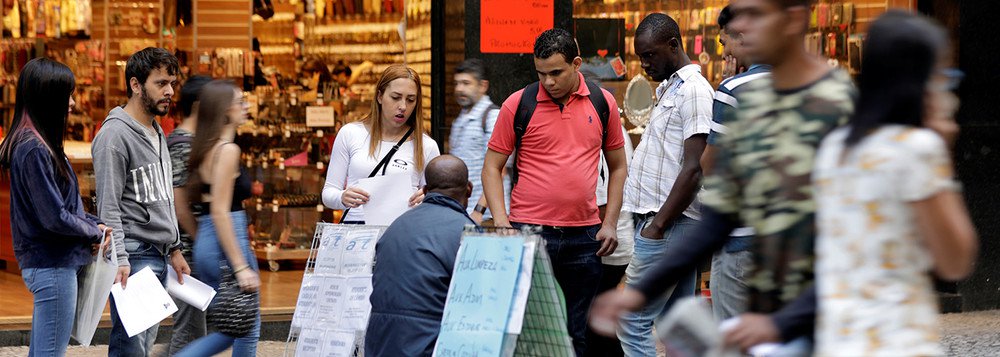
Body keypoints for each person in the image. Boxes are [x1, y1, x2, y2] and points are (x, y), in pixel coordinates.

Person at [590, 0, 857, 354]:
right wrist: (641, 288)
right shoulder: (742, 93)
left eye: (754, 16)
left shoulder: (833, 97)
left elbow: (849, 222)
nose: (740, 28)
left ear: (793, 19)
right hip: (742, 260)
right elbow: (722, 211)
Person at [812, 12, 976, 356]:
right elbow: (955, 260)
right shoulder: (917, 150)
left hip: (838, 341)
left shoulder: (835, 148)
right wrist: (942, 152)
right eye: (943, 76)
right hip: (899, 342)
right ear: (922, 81)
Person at [483, 28, 628, 355]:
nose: (548, 81)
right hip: (529, 234)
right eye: (541, 73)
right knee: (527, 330)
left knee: (577, 333)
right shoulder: (518, 104)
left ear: (576, 64)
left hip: (585, 237)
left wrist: (611, 223)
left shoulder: (603, 102)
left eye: (556, 73)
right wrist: (502, 222)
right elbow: (492, 167)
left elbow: (618, 167)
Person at [615, 13, 715, 356]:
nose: (644, 64)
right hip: (665, 224)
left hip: (668, 224)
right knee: (677, 324)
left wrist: (657, 227)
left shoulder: (695, 91)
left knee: (630, 319)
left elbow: (694, 168)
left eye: (650, 55)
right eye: (641, 56)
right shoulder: (671, 86)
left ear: (673, 45)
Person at [0, 58, 110, 357]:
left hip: (49, 263)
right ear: (49, 98)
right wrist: (93, 230)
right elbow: (54, 216)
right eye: (68, 95)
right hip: (52, 264)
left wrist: (93, 223)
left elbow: (60, 209)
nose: (73, 103)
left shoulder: (32, 143)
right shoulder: (33, 147)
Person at [92, 47, 191, 357]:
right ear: (135, 85)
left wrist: (174, 248)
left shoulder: (156, 130)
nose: (170, 91)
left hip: (156, 255)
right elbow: (108, 206)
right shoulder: (114, 136)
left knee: (142, 346)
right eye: (161, 83)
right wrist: (119, 258)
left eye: (172, 83)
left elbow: (160, 193)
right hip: (133, 256)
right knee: (130, 348)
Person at [175, 80, 260, 356]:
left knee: (239, 325)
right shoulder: (227, 150)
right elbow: (221, 210)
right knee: (237, 328)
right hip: (227, 237)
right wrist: (239, 266)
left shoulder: (207, 147)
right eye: (239, 101)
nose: (245, 106)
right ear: (224, 110)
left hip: (211, 239)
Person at [366, 155, 476, 356]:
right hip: (428, 346)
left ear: (425, 191)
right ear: (469, 189)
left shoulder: (395, 227)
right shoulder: (468, 234)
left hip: (379, 346)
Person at [703, 5, 772, 323]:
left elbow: (711, 164)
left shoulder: (731, 91)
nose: (724, 49)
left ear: (741, 35)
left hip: (741, 239)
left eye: (723, 41)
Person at [322, 64, 440, 224]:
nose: (403, 106)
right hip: (355, 235)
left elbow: (437, 202)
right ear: (379, 96)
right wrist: (342, 197)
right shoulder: (350, 134)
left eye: (410, 100)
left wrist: (428, 199)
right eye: (395, 97)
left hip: (400, 234)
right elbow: (328, 193)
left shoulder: (427, 146)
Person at [166, 75, 212, 355]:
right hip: (187, 251)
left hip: (191, 249)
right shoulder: (183, 144)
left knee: (195, 328)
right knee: (188, 328)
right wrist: (200, 240)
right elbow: (179, 203)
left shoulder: (190, 141)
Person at [447, 58, 509, 224]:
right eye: (457, 83)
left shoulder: (492, 116)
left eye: (466, 83)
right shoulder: (461, 118)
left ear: (483, 86)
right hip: (464, 213)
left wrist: (479, 210)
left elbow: (500, 170)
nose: (460, 89)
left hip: (487, 216)